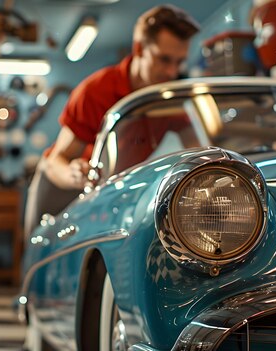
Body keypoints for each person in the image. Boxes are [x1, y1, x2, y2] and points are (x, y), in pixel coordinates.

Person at [24, 4, 200, 236]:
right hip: (63, 189)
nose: (171, 72)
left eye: (179, 62)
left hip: (109, 193)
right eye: (163, 59)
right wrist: (74, 174)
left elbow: (197, 149)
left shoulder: (167, 96)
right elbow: (56, 161)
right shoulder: (96, 91)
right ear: (139, 49)